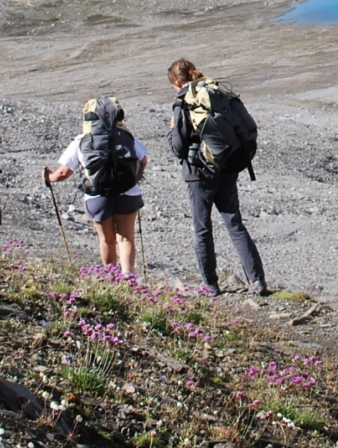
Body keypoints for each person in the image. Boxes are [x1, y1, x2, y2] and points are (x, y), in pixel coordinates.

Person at [167, 59, 267, 295]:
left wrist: (171, 130)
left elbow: (178, 148)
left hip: (199, 173)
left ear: (178, 82)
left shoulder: (184, 100)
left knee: (202, 228)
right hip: (228, 166)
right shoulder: (216, 91)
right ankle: (257, 280)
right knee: (234, 222)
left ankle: (210, 285)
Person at [45, 96, 149, 276]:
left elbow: (63, 173)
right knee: (126, 238)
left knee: (107, 240)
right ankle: (128, 278)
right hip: (128, 192)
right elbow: (143, 160)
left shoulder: (82, 140)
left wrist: (49, 177)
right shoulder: (126, 136)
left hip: (97, 196)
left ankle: (112, 278)